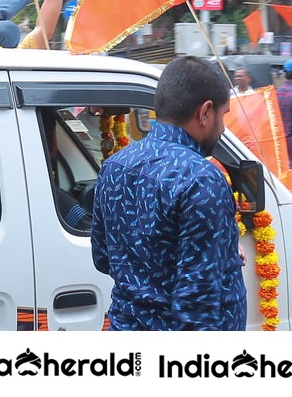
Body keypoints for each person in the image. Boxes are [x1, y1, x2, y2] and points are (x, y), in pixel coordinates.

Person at [90, 56, 243, 330]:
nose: (222, 127)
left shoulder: (115, 166)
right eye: (223, 115)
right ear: (205, 112)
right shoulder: (202, 180)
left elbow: (103, 258)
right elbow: (196, 307)